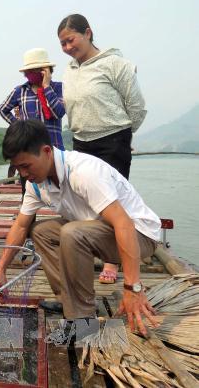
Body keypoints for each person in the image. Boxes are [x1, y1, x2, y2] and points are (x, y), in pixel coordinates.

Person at [0, 120, 161, 337]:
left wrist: (132, 288)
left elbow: (124, 223)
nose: (23, 174)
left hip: (140, 235)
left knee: (71, 233)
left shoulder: (83, 172)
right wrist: (1, 268)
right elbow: (21, 225)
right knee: (40, 232)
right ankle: (68, 302)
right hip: (97, 229)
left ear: (46, 152)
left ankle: (82, 321)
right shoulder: (36, 183)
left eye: (26, 166)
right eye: (18, 168)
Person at [58, 14, 147, 284]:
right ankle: (88, 253)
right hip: (81, 142)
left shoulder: (115, 64)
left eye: (70, 40)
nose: (67, 47)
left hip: (112, 141)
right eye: (62, 43)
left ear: (88, 33)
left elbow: (137, 107)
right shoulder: (69, 69)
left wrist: (122, 135)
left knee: (111, 203)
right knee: (84, 202)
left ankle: (112, 260)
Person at [0, 48, 65, 195]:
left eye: (35, 70)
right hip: (28, 150)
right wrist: (18, 125)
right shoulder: (20, 91)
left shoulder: (58, 88)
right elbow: (2, 109)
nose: (30, 74)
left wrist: (46, 88)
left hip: (54, 150)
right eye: (29, 71)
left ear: (46, 70)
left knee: (63, 191)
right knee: (28, 193)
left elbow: (59, 112)